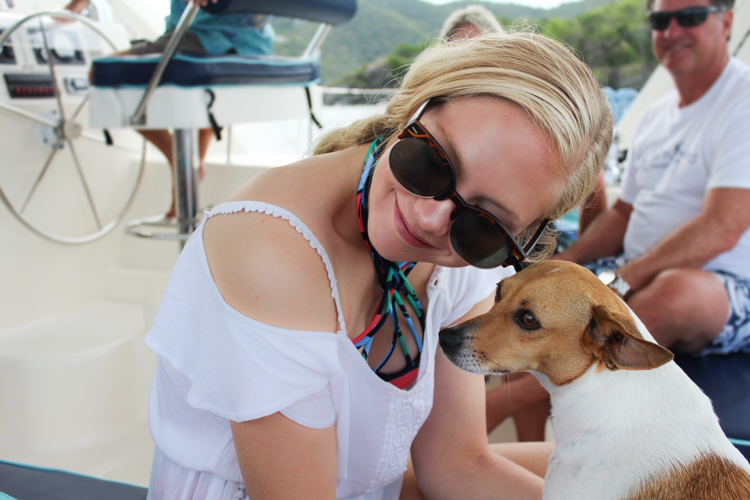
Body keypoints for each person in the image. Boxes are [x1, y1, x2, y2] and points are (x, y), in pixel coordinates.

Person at [144, 31, 612, 500]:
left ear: (520, 238)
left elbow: (456, 464)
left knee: (623, 473)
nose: (430, 218)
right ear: (414, 106)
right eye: (432, 162)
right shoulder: (270, 246)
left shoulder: (469, 254)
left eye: (484, 225)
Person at [489, 0, 750, 441]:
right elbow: (624, 214)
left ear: (726, 20)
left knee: (676, 293)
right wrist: (560, 265)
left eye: (688, 17)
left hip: (723, 289)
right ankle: (534, 462)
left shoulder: (742, 101)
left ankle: (490, 410)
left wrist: (624, 280)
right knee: (535, 295)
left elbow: (722, 227)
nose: (672, 30)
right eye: (659, 20)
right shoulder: (655, 116)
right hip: (640, 272)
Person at [64, 0, 274, 217]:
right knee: (204, 95)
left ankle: (179, 161)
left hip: (202, 40)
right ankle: (191, 165)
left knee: (101, 73)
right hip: (257, 47)